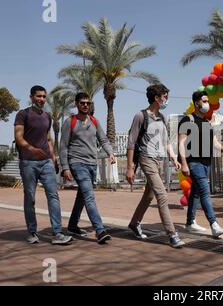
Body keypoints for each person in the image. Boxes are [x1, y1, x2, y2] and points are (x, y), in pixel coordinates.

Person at [126, 84, 184, 248]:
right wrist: (130, 168)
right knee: (162, 195)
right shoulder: (140, 116)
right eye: (164, 96)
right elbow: (131, 143)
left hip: (160, 160)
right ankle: (172, 234)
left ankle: (134, 222)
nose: (166, 99)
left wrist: (173, 157)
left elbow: (165, 141)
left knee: (149, 195)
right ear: (156, 98)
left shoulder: (163, 117)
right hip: (146, 158)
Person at [14, 85, 72, 245]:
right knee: (30, 197)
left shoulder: (47, 116)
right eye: (38, 96)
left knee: (53, 195)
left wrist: (54, 159)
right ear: (31, 97)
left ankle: (57, 233)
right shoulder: (22, 114)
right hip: (28, 162)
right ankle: (32, 232)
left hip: (46, 161)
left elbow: (48, 139)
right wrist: (32, 149)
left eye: (44, 97)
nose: (41, 99)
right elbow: (19, 137)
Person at [178, 91, 223, 238]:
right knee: (204, 191)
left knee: (196, 192)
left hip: (206, 162)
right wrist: (184, 163)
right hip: (193, 162)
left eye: (207, 101)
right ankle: (214, 224)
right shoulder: (187, 120)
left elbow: (214, 142)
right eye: (204, 101)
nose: (207, 104)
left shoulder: (206, 122)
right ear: (196, 103)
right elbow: (181, 143)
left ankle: (190, 222)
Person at [59, 93, 114, 244]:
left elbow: (103, 139)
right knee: (89, 196)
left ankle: (71, 225)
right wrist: (65, 167)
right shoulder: (70, 122)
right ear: (76, 104)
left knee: (82, 196)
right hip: (77, 163)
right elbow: (63, 146)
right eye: (82, 103)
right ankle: (100, 230)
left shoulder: (94, 121)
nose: (85, 105)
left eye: (88, 103)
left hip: (92, 164)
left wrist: (110, 153)